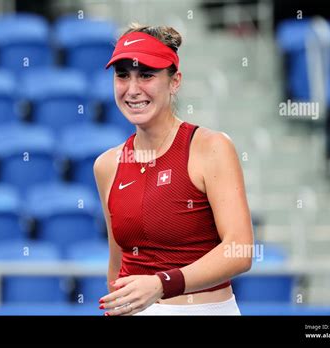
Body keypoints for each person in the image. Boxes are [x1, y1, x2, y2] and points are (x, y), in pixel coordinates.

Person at [93, 23, 253, 316]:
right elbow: (117, 265)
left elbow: (239, 250)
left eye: (146, 75)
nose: (132, 89)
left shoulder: (211, 147)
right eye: (122, 76)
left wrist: (162, 284)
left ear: (175, 81)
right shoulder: (106, 165)